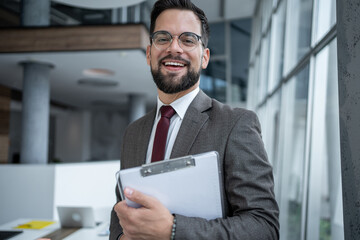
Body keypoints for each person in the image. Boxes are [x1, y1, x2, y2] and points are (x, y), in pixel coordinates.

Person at [110, 0, 279, 239]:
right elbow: (121, 211)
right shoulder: (133, 132)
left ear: (205, 57)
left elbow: (263, 227)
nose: (174, 48)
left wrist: (173, 230)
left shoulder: (236, 124)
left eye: (188, 39)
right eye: (162, 38)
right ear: (149, 54)